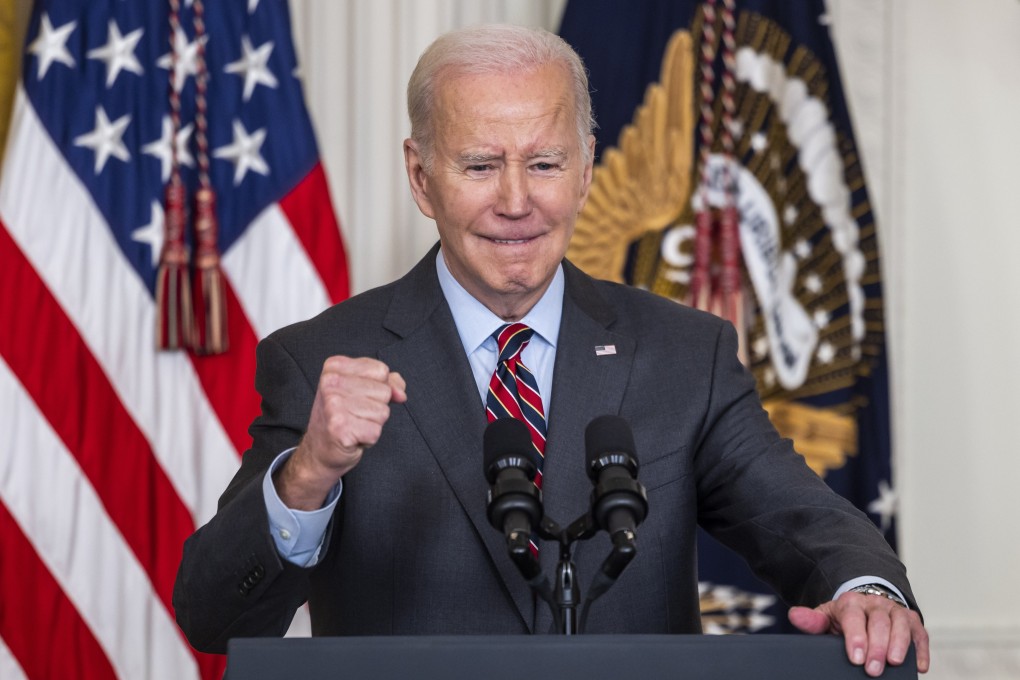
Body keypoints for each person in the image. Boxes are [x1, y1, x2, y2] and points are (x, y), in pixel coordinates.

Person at [172, 24, 929, 677]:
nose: (516, 202)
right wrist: (307, 475)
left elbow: (802, 518)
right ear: (421, 177)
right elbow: (213, 617)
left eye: (544, 163)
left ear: (587, 167)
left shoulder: (685, 354)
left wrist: (867, 589)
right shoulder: (321, 361)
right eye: (479, 165)